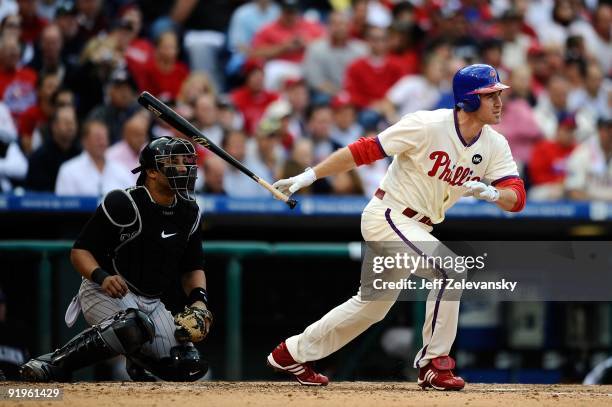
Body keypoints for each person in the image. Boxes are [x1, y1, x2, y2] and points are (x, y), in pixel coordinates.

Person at [266, 64, 526, 389]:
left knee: (371, 307)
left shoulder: (495, 144)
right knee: (451, 269)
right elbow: (364, 150)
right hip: (389, 215)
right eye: (490, 95)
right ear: (469, 100)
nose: (499, 101)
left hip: (418, 228)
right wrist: (310, 175)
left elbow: (517, 198)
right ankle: (434, 364)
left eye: (499, 94)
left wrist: (493, 193)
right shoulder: (426, 124)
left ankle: (291, 353)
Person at [20, 136, 213, 382]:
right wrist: (102, 277)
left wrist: (199, 302)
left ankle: (137, 358)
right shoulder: (124, 202)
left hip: (152, 303)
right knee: (132, 326)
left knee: (186, 363)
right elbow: (80, 251)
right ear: (152, 172)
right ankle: (52, 364)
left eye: (185, 161)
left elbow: (193, 267)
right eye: (173, 162)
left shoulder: (189, 211)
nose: (184, 168)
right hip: (104, 290)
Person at [55, 120, 133, 196]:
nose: (102, 142)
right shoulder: (68, 170)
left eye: (104, 137)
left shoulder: (121, 169)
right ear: (84, 141)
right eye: (97, 138)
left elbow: (133, 198)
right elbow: (66, 204)